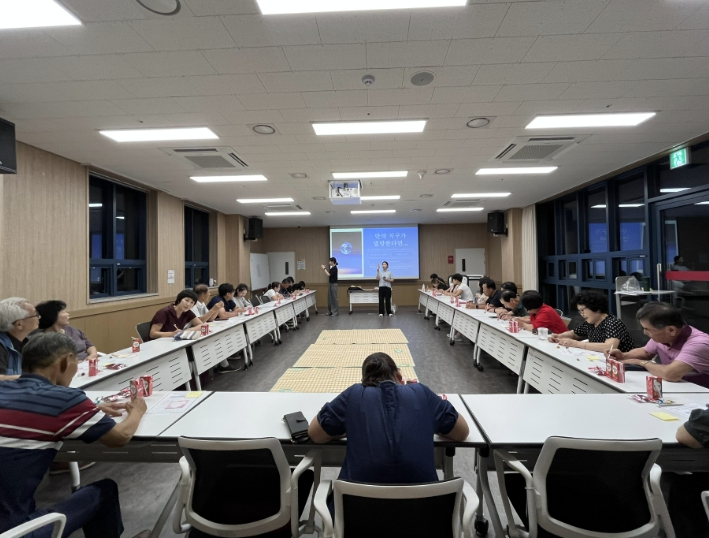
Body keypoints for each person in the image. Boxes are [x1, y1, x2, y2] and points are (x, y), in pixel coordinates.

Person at [0, 332, 147, 537]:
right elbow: (120, 437)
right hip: (11, 532)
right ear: (65, 361)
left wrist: (88, 411)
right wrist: (137, 411)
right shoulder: (65, 399)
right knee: (104, 491)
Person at [308, 353, 469, 487]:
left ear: (364, 381)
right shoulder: (421, 394)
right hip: (422, 513)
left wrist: (348, 428)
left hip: (357, 512)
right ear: (399, 375)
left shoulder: (354, 395)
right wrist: (429, 423)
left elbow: (315, 434)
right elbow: (462, 432)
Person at [606, 302, 709, 387]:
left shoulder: (699, 344)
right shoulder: (664, 336)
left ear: (671, 330)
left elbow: (670, 374)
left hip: (700, 394)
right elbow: (646, 352)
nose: (645, 332)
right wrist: (623, 355)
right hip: (676, 387)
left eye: (648, 329)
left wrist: (641, 362)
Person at [549, 290, 634, 352]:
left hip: (622, 365)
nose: (581, 314)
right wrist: (559, 336)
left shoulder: (613, 323)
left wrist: (577, 344)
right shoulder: (590, 323)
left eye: (583, 310)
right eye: (579, 311)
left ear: (596, 308)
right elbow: (574, 333)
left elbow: (610, 347)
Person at [190, 285, 238, 375]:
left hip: (202, 329)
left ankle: (223, 364)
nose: (209, 294)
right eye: (208, 292)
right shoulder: (193, 305)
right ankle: (222, 365)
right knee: (216, 340)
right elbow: (199, 322)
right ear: (203, 295)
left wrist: (216, 309)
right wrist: (213, 309)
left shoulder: (202, 304)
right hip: (193, 332)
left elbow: (210, 319)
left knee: (219, 338)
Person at [33, 300, 99, 362]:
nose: (68, 314)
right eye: (64, 312)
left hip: (88, 363)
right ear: (52, 316)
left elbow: (89, 346)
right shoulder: (42, 339)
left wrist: (92, 355)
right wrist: (73, 364)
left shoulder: (72, 329)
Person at [0, 297, 40, 380]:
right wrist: (29, 380)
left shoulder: (29, 343)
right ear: (19, 324)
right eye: (35, 314)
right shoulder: (1, 345)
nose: (39, 317)